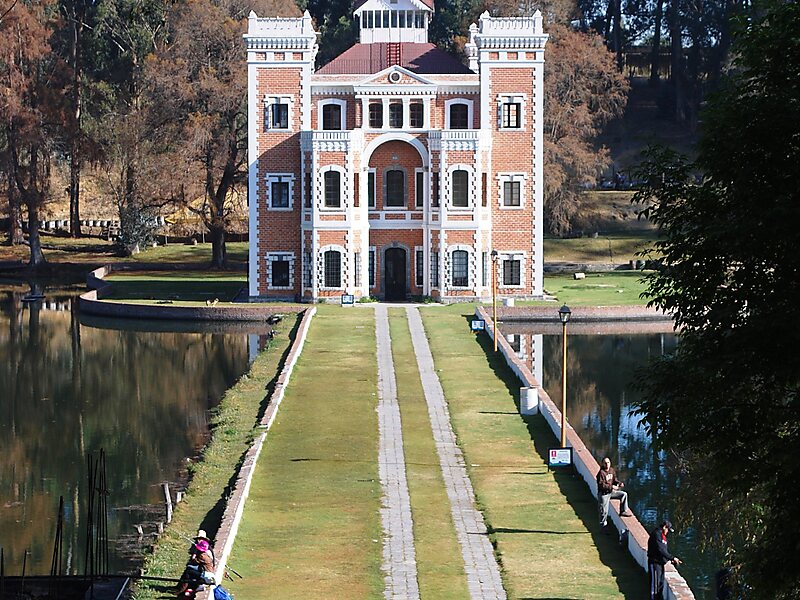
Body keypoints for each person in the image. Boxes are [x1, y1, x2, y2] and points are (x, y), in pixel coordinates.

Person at [648, 520, 682, 600]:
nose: (668, 532)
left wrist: (669, 559)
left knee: (660, 584)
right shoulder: (657, 534)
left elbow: (663, 551)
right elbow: (660, 550)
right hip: (655, 563)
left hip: (660, 563)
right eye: (668, 529)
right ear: (664, 527)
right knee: (655, 585)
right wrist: (672, 557)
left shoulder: (662, 535)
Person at [596, 457, 631, 528]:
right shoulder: (601, 473)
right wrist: (612, 487)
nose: (607, 464)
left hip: (611, 492)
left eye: (608, 462)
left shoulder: (611, 470)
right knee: (604, 512)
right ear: (602, 464)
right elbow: (602, 485)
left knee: (623, 494)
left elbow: (615, 480)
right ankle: (603, 527)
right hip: (603, 494)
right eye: (605, 463)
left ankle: (623, 511)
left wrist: (619, 483)